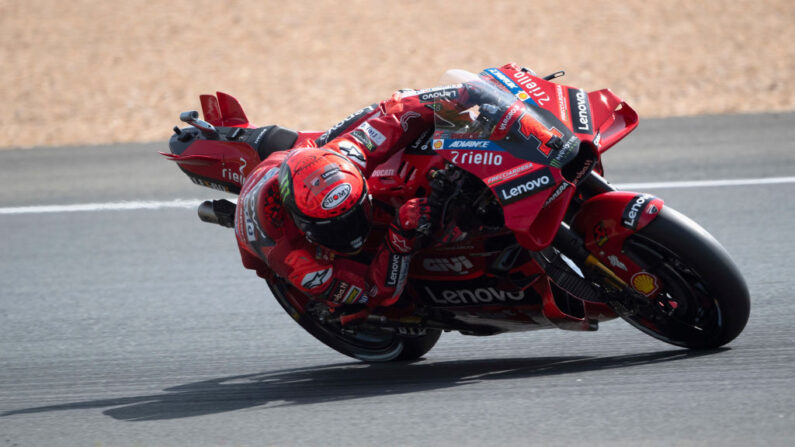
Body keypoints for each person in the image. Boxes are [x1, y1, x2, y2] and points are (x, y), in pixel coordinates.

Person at [233, 64, 551, 324]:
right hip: (269, 243)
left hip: (305, 159)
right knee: (371, 307)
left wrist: (464, 94)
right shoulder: (295, 258)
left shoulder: (349, 154)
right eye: (337, 227)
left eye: (355, 213)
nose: (354, 229)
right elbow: (376, 290)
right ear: (304, 225)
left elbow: (402, 114)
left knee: (390, 108)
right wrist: (398, 236)